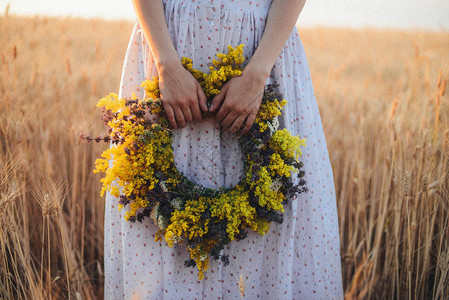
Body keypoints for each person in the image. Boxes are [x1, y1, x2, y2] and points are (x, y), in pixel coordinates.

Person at [104, 0, 344, 298]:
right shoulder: (165, 60)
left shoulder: (261, 70)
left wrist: (258, 75)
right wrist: (166, 64)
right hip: (167, 45)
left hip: (261, 53)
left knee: (269, 228)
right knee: (155, 227)